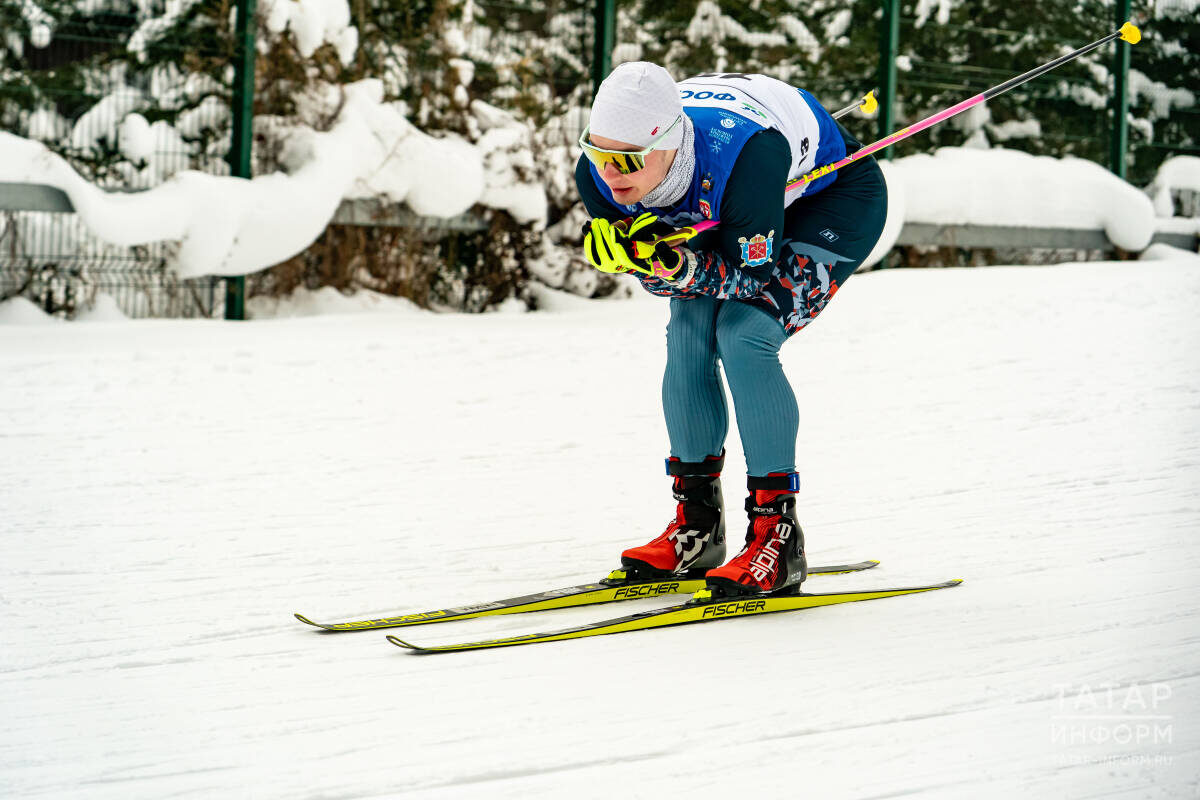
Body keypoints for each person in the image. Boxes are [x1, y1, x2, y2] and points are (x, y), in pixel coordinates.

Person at [574, 62, 888, 598]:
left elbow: (749, 277)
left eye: (625, 159)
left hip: (830, 200)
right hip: (732, 210)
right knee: (689, 331)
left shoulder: (748, 157)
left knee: (745, 335)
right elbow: (677, 283)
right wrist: (644, 263)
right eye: (598, 153)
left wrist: (672, 267)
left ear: (670, 144)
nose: (609, 172)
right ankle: (699, 526)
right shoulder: (600, 177)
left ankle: (777, 534)